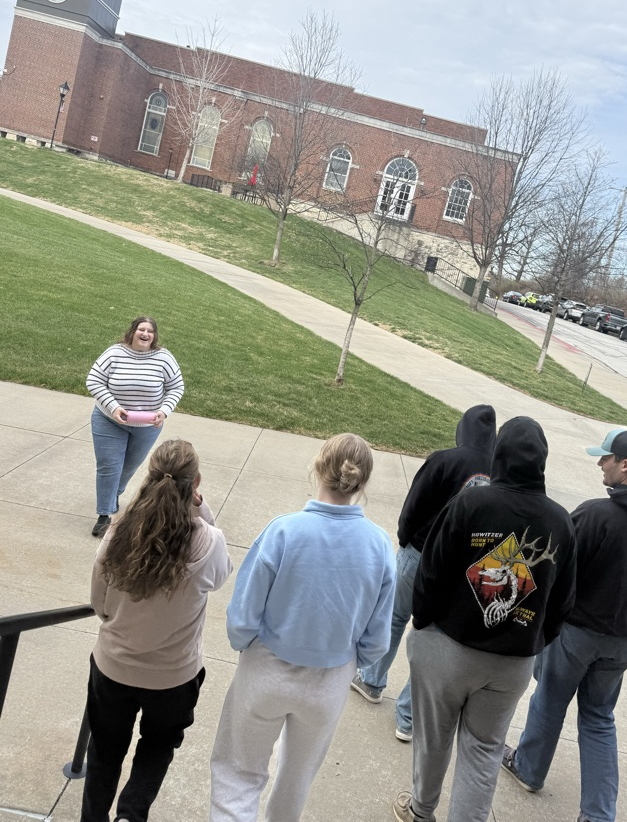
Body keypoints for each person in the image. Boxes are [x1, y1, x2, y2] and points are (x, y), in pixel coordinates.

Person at [393, 416, 577, 822]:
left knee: (434, 739)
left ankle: (421, 812)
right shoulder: (561, 522)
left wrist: (423, 624)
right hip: (511, 664)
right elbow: (563, 603)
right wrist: (530, 641)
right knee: (485, 750)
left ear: (500, 456)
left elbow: (432, 572)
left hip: (448, 648)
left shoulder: (471, 502)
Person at [209, 433, 395, 822]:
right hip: (329, 681)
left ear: (318, 468)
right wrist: (350, 660)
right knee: (296, 781)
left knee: (238, 775)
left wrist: (245, 644)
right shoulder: (379, 545)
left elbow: (243, 615)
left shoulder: (283, 531)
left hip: (267, 669)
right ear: (362, 482)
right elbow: (378, 638)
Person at [500, 428, 627, 822]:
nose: (600, 464)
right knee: (599, 717)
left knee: (549, 700)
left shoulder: (596, 514)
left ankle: (529, 770)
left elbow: (557, 571)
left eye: (606, 458)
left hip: (578, 635)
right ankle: (598, 815)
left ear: (625, 465)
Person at [81, 438, 232, 822]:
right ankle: (131, 815)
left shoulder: (118, 531)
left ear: (149, 477)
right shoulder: (207, 541)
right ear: (195, 483)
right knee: (156, 749)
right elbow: (220, 576)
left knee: (105, 752)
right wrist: (203, 508)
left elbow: (99, 603)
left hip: (113, 667)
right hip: (174, 678)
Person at [351, 404, 497, 741]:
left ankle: (371, 680)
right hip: (461, 572)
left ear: (463, 429)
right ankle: (408, 718)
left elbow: (414, 506)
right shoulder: (499, 474)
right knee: (433, 640)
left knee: (394, 617)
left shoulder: (444, 459)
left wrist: (405, 539)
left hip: (420, 554)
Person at [86, 316, 184, 537]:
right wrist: (113, 407)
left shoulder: (164, 358)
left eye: (150, 331)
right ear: (132, 332)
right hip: (109, 421)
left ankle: (113, 493)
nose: (145, 334)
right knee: (109, 466)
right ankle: (104, 514)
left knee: (128, 467)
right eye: (141, 329)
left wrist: (164, 411)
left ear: (155, 336)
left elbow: (176, 387)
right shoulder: (114, 353)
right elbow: (94, 380)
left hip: (147, 425)